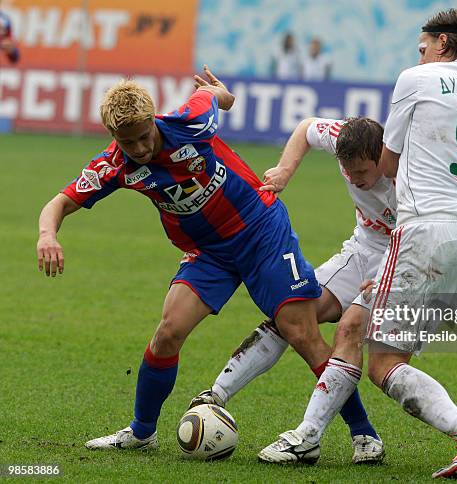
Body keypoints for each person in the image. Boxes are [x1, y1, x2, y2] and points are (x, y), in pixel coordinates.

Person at [259, 8, 457, 478]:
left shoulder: (416, 79)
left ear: (443, 44)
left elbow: (387, 163)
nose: (420, 53)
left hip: (423, 235)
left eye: (424, 45)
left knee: (383, 362)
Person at [36, 66, 332, 451]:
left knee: (301, 333)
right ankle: (142, 433)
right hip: (209, 253)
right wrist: (47, 234)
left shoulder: (190, 120)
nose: (140, 149)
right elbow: (58, 203)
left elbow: (220, 99)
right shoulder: (114, 165)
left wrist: (222, 93)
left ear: (153, 119)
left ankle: (363, 433)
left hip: (260, 230)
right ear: (114, 137)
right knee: (168, 332)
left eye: (144, 137)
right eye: (128, 143)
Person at [189, 116, 392, 464]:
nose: (356, 180)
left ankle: (336, 435)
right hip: (363, 249)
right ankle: (214, 397)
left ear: (383, 158)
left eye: (362, 172)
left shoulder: (410, 174)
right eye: (349, 171)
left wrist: (389, 275)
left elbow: (424, 233)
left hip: (403, 259)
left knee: (350, 331)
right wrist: (284, 171)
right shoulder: (344, 137)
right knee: (292, 314)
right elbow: (307, 128)